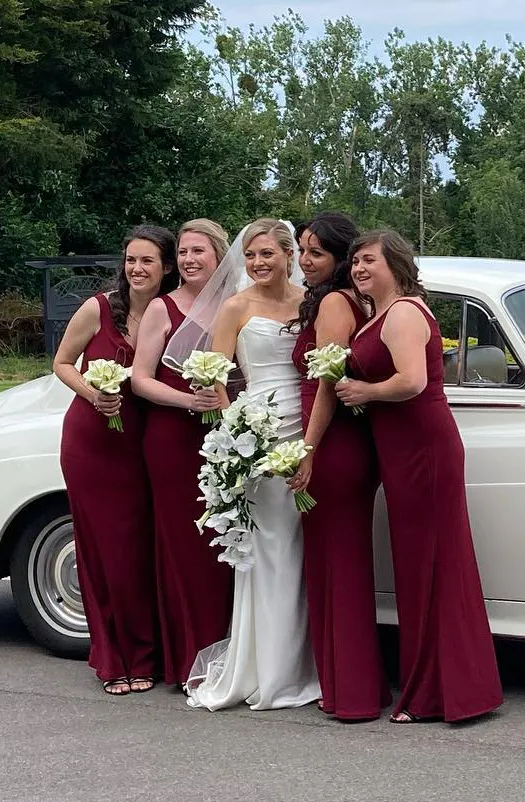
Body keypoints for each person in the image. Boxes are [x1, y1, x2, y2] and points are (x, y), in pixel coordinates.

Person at [334, 229, 504, 724]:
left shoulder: (405, 312)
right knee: (419, 564)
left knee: (430, 563)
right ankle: (441, 685)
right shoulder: (384, 313)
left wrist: (362, 392)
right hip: (403, 448)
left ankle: (436, 692)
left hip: (422, 448)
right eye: (356, 263)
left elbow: (410, 381)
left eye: (369, 261)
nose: (359, 269)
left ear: (396, 263)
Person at [180, 217, 321, 711]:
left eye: (269, 254)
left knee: (302, 552)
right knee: (270, 550)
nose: (259, 263)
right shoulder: (235, 307)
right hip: (257, 433)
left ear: (289, 255)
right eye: (252, 256)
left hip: (306, 425)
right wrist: (235, 432)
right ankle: (265, 671)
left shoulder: (310, 304)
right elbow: (217, 379)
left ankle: (299, 664)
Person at [52, 224, 178, 695]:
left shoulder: (174, 312)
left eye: (148, 261)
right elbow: (62, 363)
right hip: (93, 442)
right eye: (130, 260)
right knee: (105, 550)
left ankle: (152, 652)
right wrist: (94, 393)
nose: (137, 269)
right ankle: (116, 658)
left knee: (142, 550)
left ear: (166, 267)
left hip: (145, 443)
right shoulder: (98, 309)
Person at [287, 212, 390, 721]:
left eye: (316, 252)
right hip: (339, 438)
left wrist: (306, 448)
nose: (305, 260)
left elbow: (327, 381)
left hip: (332, 442)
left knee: (338, 566)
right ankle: (351, 683)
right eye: (302, 250)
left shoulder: (334, 301)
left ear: (340, 259)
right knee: (337, 564)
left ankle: (352, 692)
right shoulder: (355, 299)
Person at [130, 218, 235, 690]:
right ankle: (186, 659)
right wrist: (190, 401)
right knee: (183, 546)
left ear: (219, 257)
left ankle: (228, 651)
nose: (191, 260)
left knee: (224, 546)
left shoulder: (235, 306)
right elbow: (141, 378)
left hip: (226, 438)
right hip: (172, 437)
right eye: (185, 253)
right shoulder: (162, 308)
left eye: (200, 252)